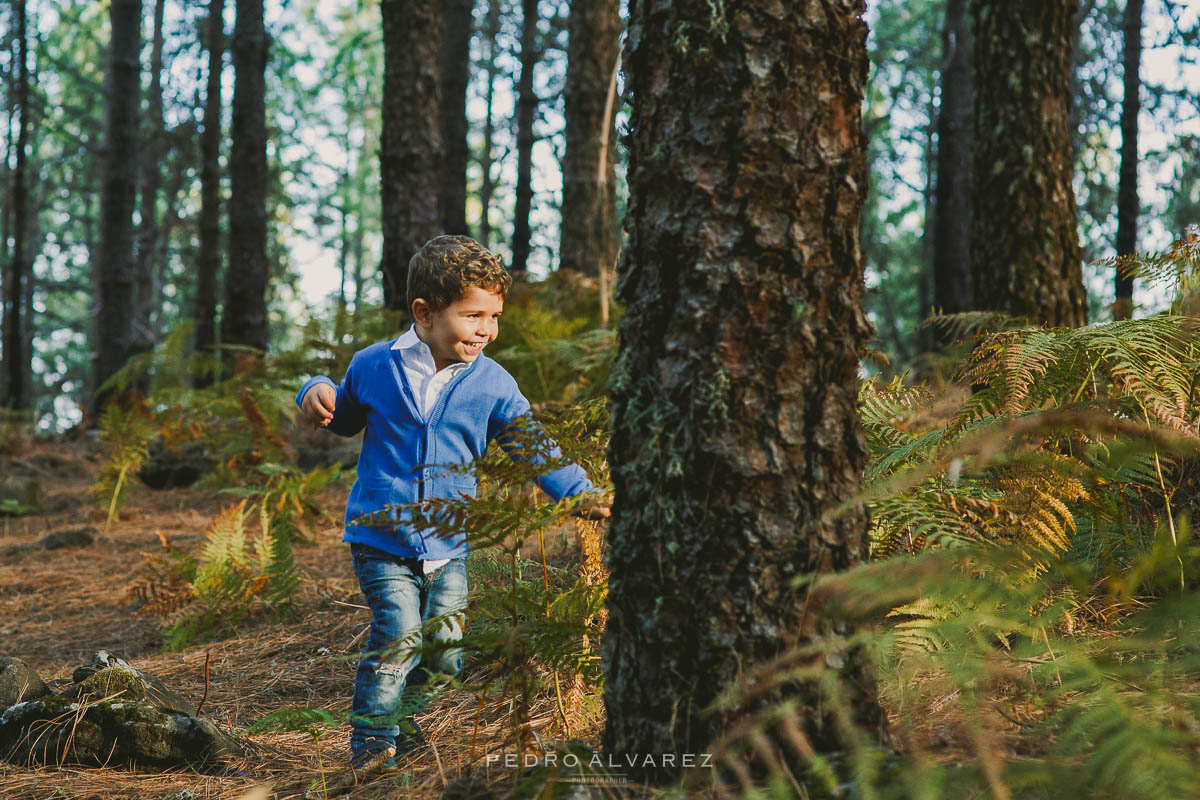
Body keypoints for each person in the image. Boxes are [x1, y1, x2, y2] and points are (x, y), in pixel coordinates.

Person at [296, 235, 610, 775]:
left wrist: (579, 493)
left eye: (494, 316)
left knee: (444, 654)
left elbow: (531, 443)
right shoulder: (375, 365)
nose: (486, 329)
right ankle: (371, 747)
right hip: (380, 536)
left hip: (449, 544)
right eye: (473, 315)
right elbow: (341, 416)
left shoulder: (493, 382)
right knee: (397, 634)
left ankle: (408, 727)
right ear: (425, 312)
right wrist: (315, 389)